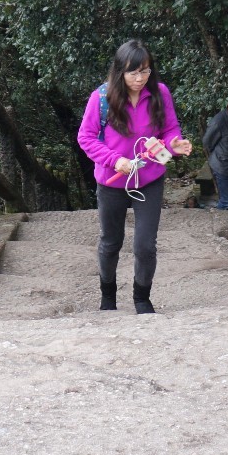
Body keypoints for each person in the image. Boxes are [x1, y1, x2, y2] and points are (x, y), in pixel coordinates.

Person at [76, 40, 192, 314]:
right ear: (120, 72)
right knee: (110, 241)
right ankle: (108, 296)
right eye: (133, 73)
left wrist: (175, 144)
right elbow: (86, 137)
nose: (140, 79)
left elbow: (170, 128)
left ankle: (142, 298)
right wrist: (116, 160)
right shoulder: (102, 98)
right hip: (112, 181)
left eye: (145, 71)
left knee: (145, 245)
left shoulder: (160, 92)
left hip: (149, 179)